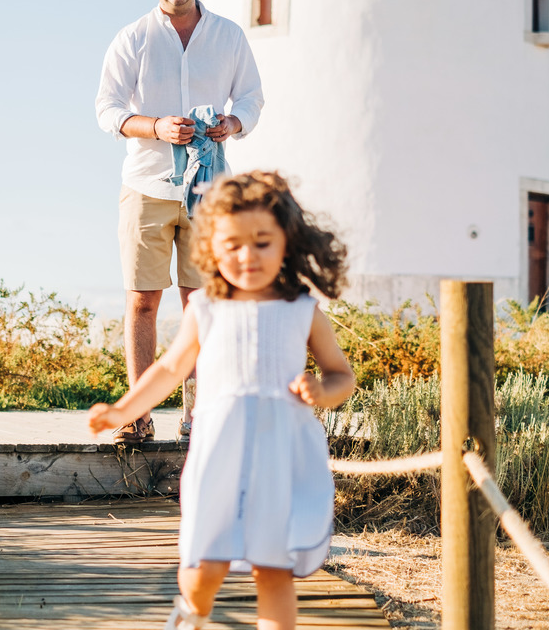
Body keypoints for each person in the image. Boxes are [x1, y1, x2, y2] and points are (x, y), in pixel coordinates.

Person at [88, 172, 356, 630]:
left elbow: (341, 376)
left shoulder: (303, 310)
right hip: (220, 452)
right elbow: (169, 371)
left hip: (282, 454)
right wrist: (122, 410)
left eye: (262, 242)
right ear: (212, 247)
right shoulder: (206, 309)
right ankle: (192, 614)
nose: (246, 256)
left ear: (286, 243)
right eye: (232, 244)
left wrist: (322, 390)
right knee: (202, 568)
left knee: (274, 569)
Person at [95, 0, 264, 443]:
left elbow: (253, 98)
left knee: (201, 303)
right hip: (146, 186)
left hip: (210, 193)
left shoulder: (230, 36)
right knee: (143, 302)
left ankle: (198, 416)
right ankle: (138, 414)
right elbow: (107, 110)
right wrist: (156, 128)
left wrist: (233, 125)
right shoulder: (132, 39)